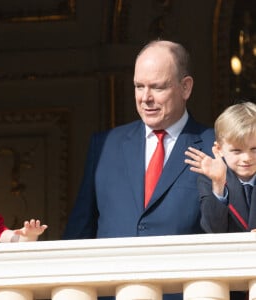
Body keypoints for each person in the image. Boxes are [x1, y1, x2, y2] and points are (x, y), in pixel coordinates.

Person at [62, 40, 215, 300]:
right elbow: (79, 232)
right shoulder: (106, 145)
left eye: (158, 87)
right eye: (139, 86)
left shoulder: (214, 146)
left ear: (185, 87)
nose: (146, 98)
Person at [185, 101, 256, 233]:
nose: (247, 158)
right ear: (219, 149)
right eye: (237, 151)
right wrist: (218, 184)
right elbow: (213, 229)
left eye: (254, 149)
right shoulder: (209, 180)